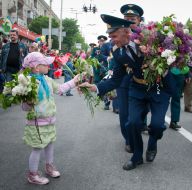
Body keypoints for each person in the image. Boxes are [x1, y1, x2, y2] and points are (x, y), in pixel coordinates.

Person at [81, 14, 175, 170]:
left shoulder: (149, 39)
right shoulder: (117, 52)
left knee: (158, 125)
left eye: (114, 36)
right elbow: (116, 79)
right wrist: (96, 87)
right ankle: (137, 156)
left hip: (159, 88)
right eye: (110, 36)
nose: (112, 40)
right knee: (132, 123)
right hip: (137, 89)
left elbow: (171, 58)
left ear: (126, 31)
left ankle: (152, 144)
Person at [21, 52, 80, 185]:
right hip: (36, 123)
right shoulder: (28, 83)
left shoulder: (47, 79)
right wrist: (28, 103)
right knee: (37, 148)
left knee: (49, 144)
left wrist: (73, 82)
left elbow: (59, 89)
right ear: (36, 67)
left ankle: (49, 166)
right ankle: (33, 174)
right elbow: (24, 107)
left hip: (49, 120)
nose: (49, 65)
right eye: (45, 63)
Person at [118, 3, 145, 152]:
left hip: (141, 81)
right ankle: (128, 140)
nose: (129, 21)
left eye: (132, 18)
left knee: (139, 113)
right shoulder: (117, 36)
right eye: (126, 18)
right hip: (123, 80)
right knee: (124, 113)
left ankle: (136, 130)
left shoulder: (146, 37)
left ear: (139, 20)